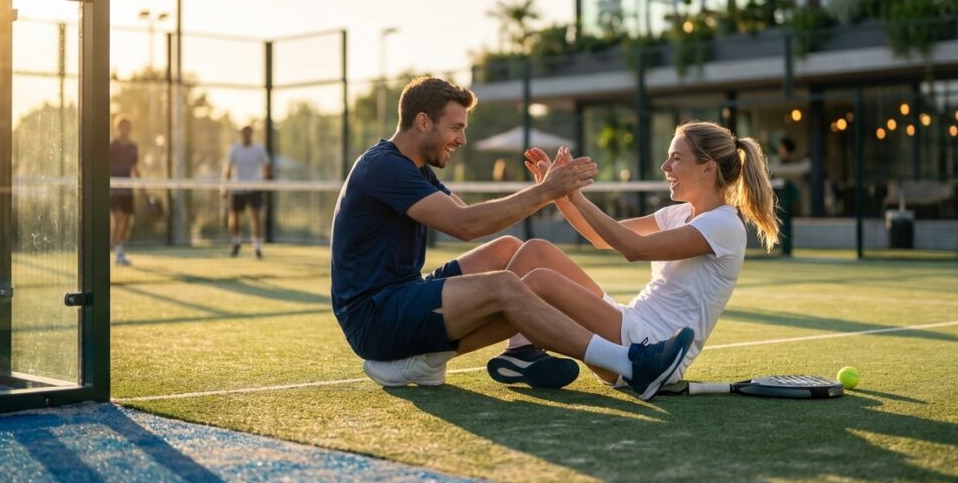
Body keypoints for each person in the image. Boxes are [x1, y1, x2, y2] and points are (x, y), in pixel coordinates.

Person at [330, 76, 694, 401]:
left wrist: (543, 189)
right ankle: (629, 363)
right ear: (423, 121)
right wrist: (547, 192)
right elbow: (464, 225)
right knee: (505, 287)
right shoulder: (384, 166)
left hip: (400, 297)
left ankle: (486, 354)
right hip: (375, 317)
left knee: (509, 250)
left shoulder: (413, 166)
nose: (462, 139)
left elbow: (466, 213)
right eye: (456, 127)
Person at [485, 121, 779, 390]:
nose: (665, 166)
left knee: (541, 281)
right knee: (536, 251)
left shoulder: (723, 224)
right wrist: (556, 193)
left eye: (676, 158)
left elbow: (634, 249)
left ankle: (471, 342)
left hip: (652, 349)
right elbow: (601, 238)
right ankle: (521, 351)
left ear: (707, 168)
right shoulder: (677, 213)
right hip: (631, 323)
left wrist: (576, 196)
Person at [224, 125, 272, 259]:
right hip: (238, 186)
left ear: (252, 135)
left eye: (249, 134)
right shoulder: (235, 149)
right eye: (244, 134)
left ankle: (257, 245)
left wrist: (266, 181)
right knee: (234, 216)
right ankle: (236, 241)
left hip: (255, 186)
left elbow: (267, 164)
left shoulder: (259, 149)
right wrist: (225, 187)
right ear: (241, 135)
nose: (247, 136)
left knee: (256, 216)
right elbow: (228, 168)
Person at [110, 114, 141, 266]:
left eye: (127, 127)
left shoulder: (133, 147)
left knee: (127, 220)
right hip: (115, 188)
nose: (125, 130)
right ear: (117, 128)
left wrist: (142, 186)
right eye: (122, 127)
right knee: (118, 220)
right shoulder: (112, 146)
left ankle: (120, 248)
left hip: (128, 188)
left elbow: (134, 168)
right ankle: (117, 252)